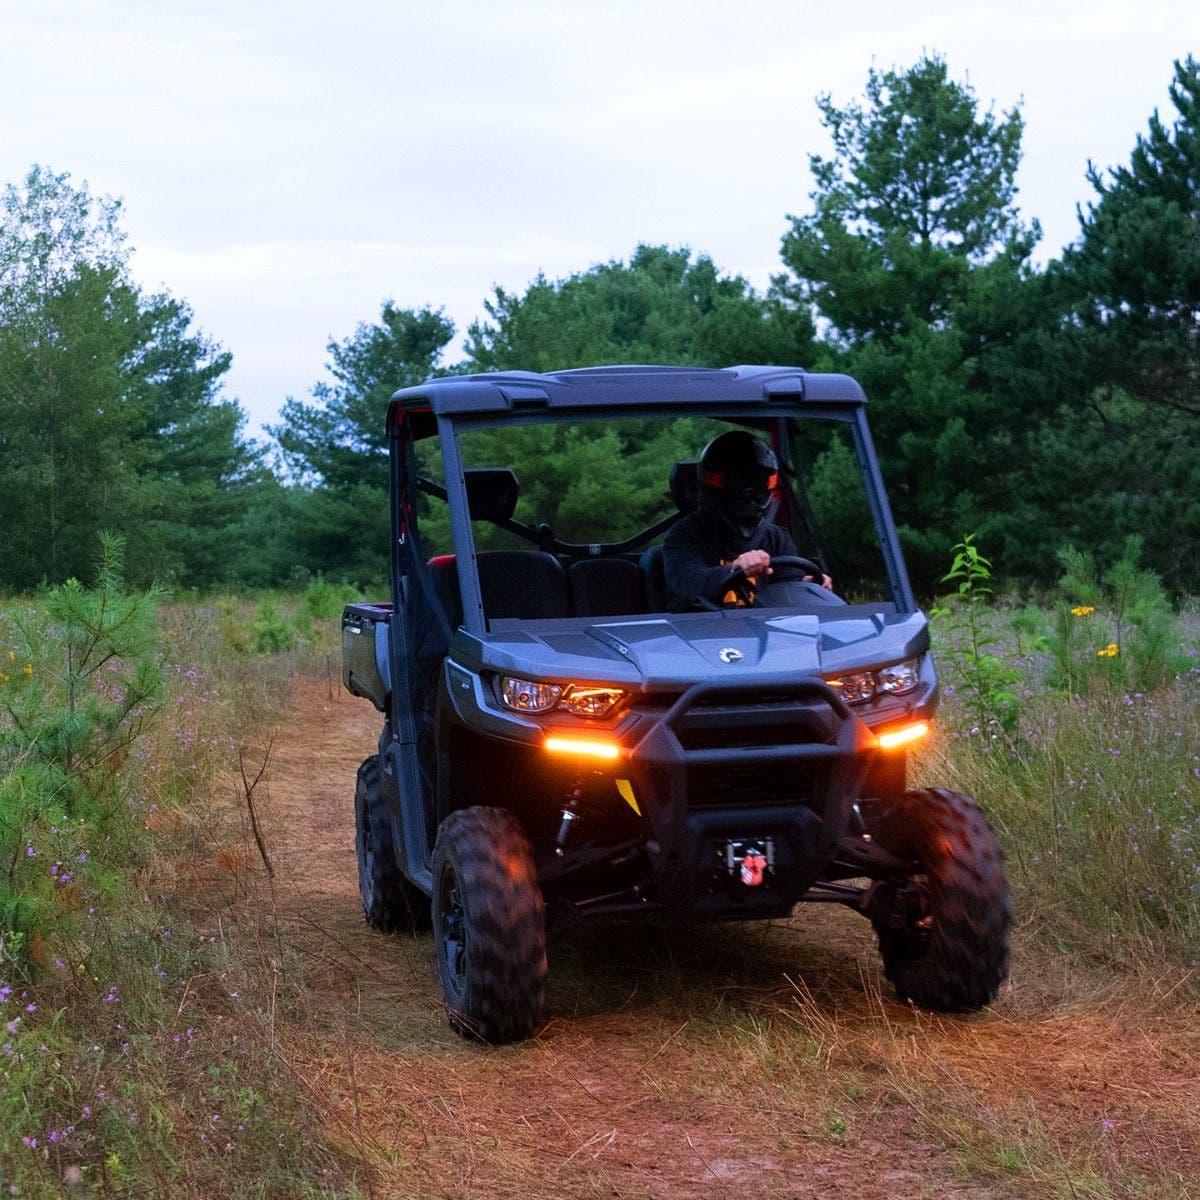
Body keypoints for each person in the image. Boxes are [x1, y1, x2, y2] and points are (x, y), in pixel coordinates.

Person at [662, 430, 833, 609]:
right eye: (739, 482)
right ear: (713, 485)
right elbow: (686, 583)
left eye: (760, 483)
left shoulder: (776, 538)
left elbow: (789, 586)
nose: (749, 494)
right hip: (702, 632)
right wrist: (734, 569)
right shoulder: (684, 535)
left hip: (764, 633)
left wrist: (808, 587)